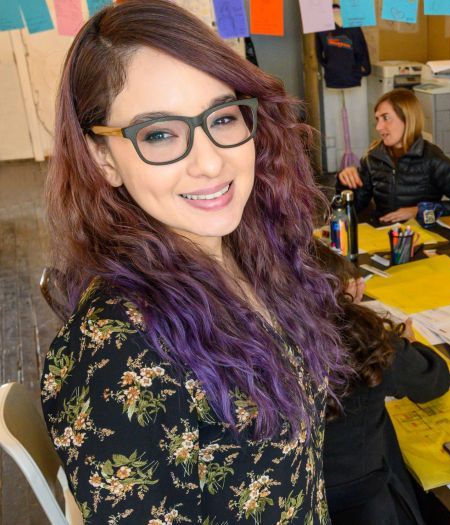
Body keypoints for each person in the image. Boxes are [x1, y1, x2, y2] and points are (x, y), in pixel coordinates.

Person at [39, 2, 350, 522]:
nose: (210, 162)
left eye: (223, 117)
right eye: (160, 133)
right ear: (103, 158)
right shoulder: (118, 356)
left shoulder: (246, 255)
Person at [314, 243, 450, 525]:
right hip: (362, 502)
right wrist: (409, 343)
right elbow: (433, 380)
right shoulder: (365, 338)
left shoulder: (269, 336)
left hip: (301, 495)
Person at [335, 88, 450, 224]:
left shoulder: (433, 159)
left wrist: (419, 211)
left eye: (386, 118)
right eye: (377, 119)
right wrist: (345, 183)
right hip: (382, 234)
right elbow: (355, 207)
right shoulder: (372, 158)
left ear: (407, 118)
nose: (378, 127)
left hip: (422, 237)